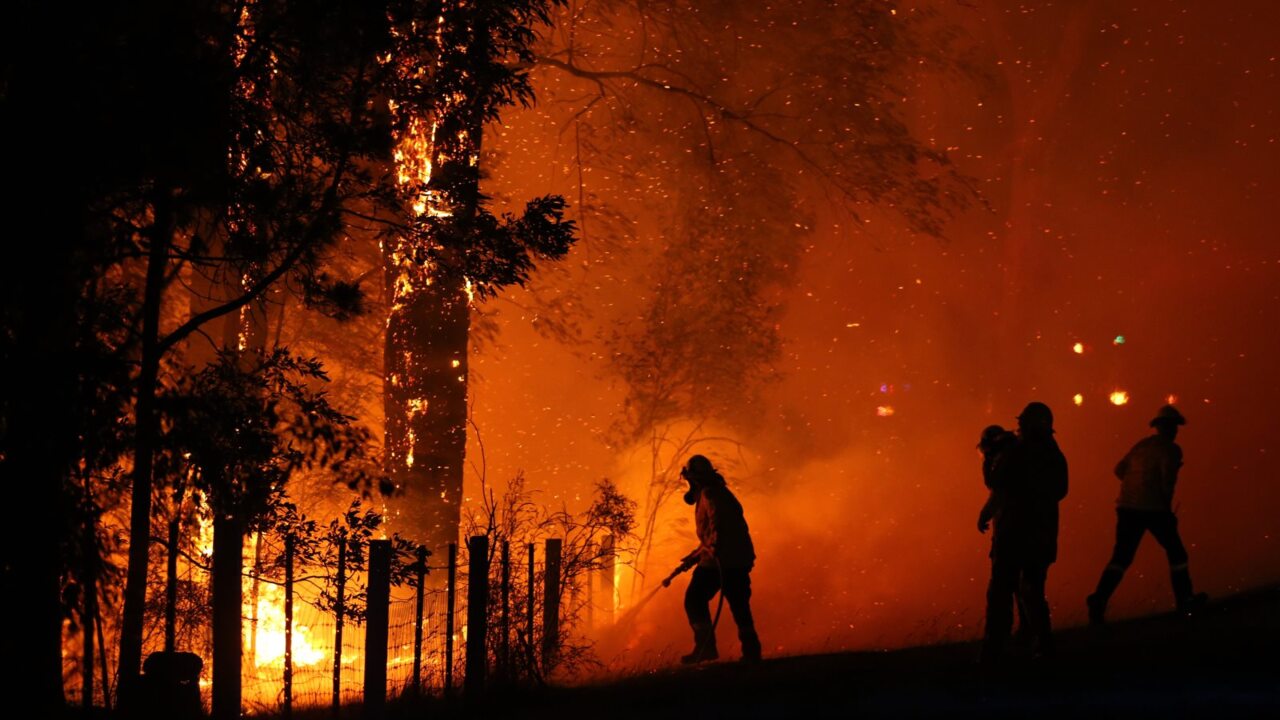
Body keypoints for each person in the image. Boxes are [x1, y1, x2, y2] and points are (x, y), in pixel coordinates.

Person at [1086, 405, 1208, 625]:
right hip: (1153, 509)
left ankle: (1099, 599)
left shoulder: (1141, 445)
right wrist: (1166, 510)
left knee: (1121, 558)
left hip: (1126, 508)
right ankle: (1185, 600)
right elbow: (1167, 481)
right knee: (1177, 554)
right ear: (1170, 427)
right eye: (1174, 426)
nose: (1176, 430)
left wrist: (1133, 487)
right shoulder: (1171, 450)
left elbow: (1118, 470)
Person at [980, 402, 1069, 665]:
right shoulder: (1054, 455)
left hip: (1014, 534)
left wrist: (991, 457)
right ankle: (1042, 645)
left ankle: (994, 649)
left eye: (1022, 424)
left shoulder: (1017, 452)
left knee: (1000, 592)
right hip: (1041, 534)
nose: (1017, 428)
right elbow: (1060, 491)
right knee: (1031, 590)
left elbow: (996, 483)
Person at [677, 454, 761, 664]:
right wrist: (695, 556)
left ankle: (705, 648)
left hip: (720, 561)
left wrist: (713, 549)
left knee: (694, 600)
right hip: (737, 558)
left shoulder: (709, 494)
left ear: (694, 479)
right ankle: (752, 652)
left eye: (689, 480)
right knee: (739, 604)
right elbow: (715, 533)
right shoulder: (719, 492)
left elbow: (718, 525)